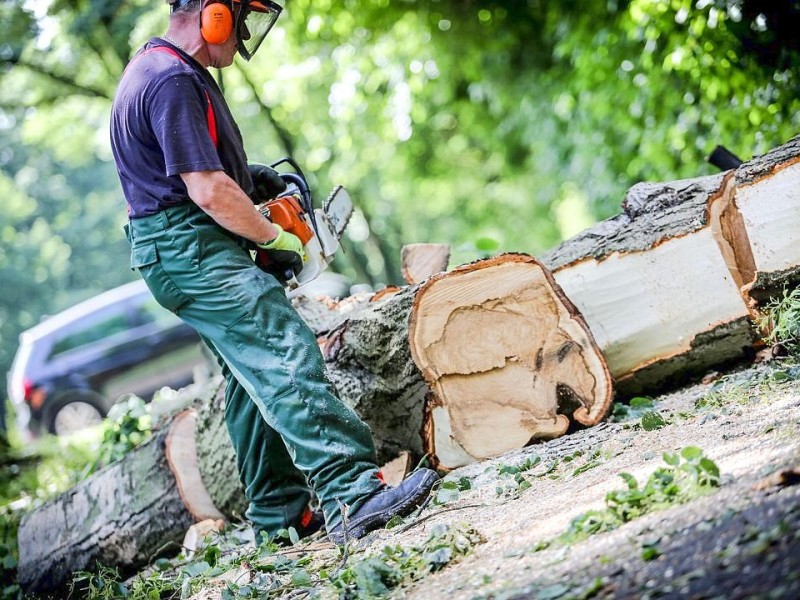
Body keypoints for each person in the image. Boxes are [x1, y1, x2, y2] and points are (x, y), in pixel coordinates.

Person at [109, 0, 437, 544]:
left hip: (179, 246)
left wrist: (250, 179)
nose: (241, 36)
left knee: (247, 378)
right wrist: (276, 237)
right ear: (214, 12)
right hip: (189, 246)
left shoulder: (161, 68)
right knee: (282, 348)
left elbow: (205, 174)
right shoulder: (170, 79)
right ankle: (352, 495)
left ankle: (279, 513)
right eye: (241, 18)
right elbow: (207, 190)